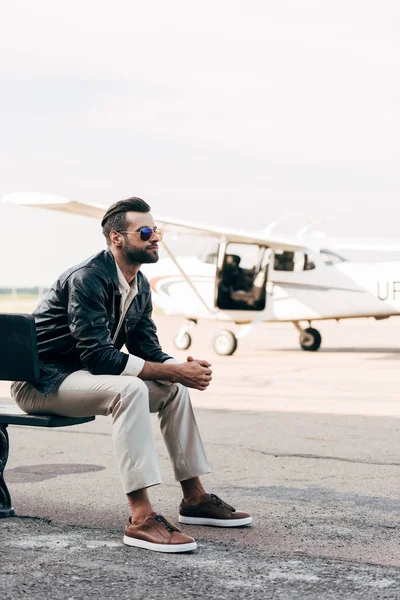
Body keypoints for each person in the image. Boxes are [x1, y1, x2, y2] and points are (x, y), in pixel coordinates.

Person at [11, 197, 252, 553]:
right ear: (116, 238)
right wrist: (172, 370)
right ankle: (141, 518)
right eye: (145, 231)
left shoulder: (139, 286)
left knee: (171, 389)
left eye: (156, 230)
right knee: (130, 390)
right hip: (42, 381)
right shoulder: (88, 279)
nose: (155, 237)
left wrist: (179, 369)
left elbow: (147, 348)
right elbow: (99, 358)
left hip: (80, 378)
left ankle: (194, 498)